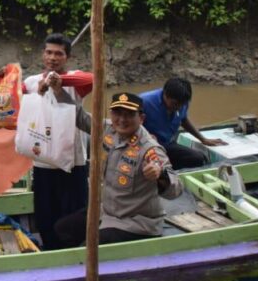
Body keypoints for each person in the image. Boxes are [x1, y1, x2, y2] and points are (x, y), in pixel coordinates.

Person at [52, 84, 183, 247]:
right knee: (62, 229)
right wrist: (58, 91)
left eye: (129, 115)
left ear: (141, 118)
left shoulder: (149, 148)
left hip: (135, 222)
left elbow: (176, 189)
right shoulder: (108, 129)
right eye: (117, 113)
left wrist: (160, 175)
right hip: (105, 211)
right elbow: (79, 116)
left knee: (89, 247)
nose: (122, 119)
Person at [21, 33, 94, 250]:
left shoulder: (75, 80)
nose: (53, 57)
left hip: (73, 162)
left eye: (59, 54)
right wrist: (4, 79)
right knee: (45, 214)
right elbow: (12, 95)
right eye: (49, 52)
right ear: (43, 54)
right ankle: (51, 251)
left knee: (73, 214)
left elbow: (93, 78)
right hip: (42, 161)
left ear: (67, 57)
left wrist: (58, 81)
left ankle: (73, 254)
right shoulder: (32, 82)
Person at [140, 77, 226, 169]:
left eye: (182, 104)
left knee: (198, 159)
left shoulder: (183, 101)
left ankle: (169, 170)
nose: (179, 107)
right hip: (145, 147)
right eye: (175, 104)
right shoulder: (143, 101)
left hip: (167, 145)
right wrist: (146, 137)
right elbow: (128, 128)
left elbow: (183, 119)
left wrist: (203, 139)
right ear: (165, 94)